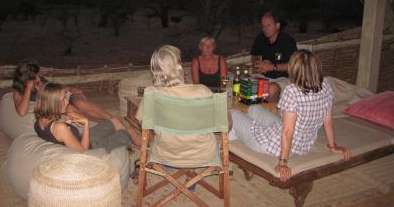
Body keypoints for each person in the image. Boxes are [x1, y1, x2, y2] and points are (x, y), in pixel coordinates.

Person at [229, 50, 351, 181]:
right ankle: (241, 141)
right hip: (302, 145)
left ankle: (232, 156)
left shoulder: (292, 91)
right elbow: (328, 122)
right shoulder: (325, 86)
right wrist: (333, 146)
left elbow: (288, 132)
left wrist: (282, 164)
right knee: (253, 108)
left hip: (274, 145)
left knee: (233, 113)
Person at [136, 45, 228, 166]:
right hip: (203, 155)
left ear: (155, 70)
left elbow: (143, 124)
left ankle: (174, 168)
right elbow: (222, 124)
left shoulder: (151, 94)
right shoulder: (202, 91)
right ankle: (191, 175)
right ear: (179, 66)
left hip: (165, 154)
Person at [34, 82, 140, 151]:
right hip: (93, 149)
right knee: (129, 132)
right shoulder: (60, 127)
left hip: (82, 139)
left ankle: (129, 143)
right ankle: (147, 147)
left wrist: (68, 123)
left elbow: (58, 138)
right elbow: (84, 152)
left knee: (114, 121)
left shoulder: (39, 121)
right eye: (63, 99)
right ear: (52, 102)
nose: (66, 102)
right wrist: (86, 123)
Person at [12, 60, 112, 122]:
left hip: (64, 95)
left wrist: (69, 88)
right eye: (36, 76)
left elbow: (56, 89)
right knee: (71, 110)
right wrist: (29, 88)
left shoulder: (40, 81)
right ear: (26, 77)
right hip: (59, 103)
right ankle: (102, 121)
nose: (39, 78)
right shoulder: (18, 91)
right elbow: (21, 112)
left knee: (80, 103)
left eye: (38, 74)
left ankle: (111, 118)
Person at [251, 12, 297, 101]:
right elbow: (254, 57)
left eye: (268, 25)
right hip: (262, 76)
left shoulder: (287, 41)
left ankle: (270, 113)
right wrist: (258, 63)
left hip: (283, 79)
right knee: (243, 83)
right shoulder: (260, 38)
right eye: (263, 26)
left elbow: (294, 66)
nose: (265, 29)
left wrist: (272, 67)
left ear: (277, 25)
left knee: (271, 89)